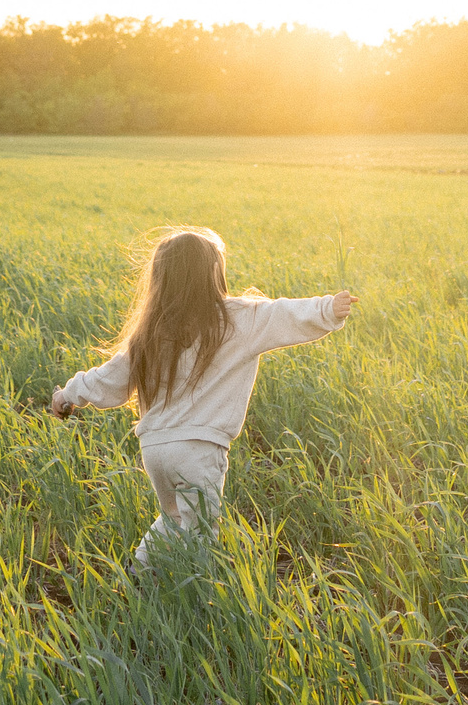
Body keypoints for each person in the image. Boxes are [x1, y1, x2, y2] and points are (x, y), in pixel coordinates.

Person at [49, 225, 355, 569]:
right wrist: (328, 309)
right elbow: (283, 314)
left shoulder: (152, 329)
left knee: (174, 519)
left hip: (155, 449)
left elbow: (109, 377)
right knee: (199, 535)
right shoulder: (236, 318)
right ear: (214, 272)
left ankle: (140, 574)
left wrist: (68, 394)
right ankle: (198, 601)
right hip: (198, 449)